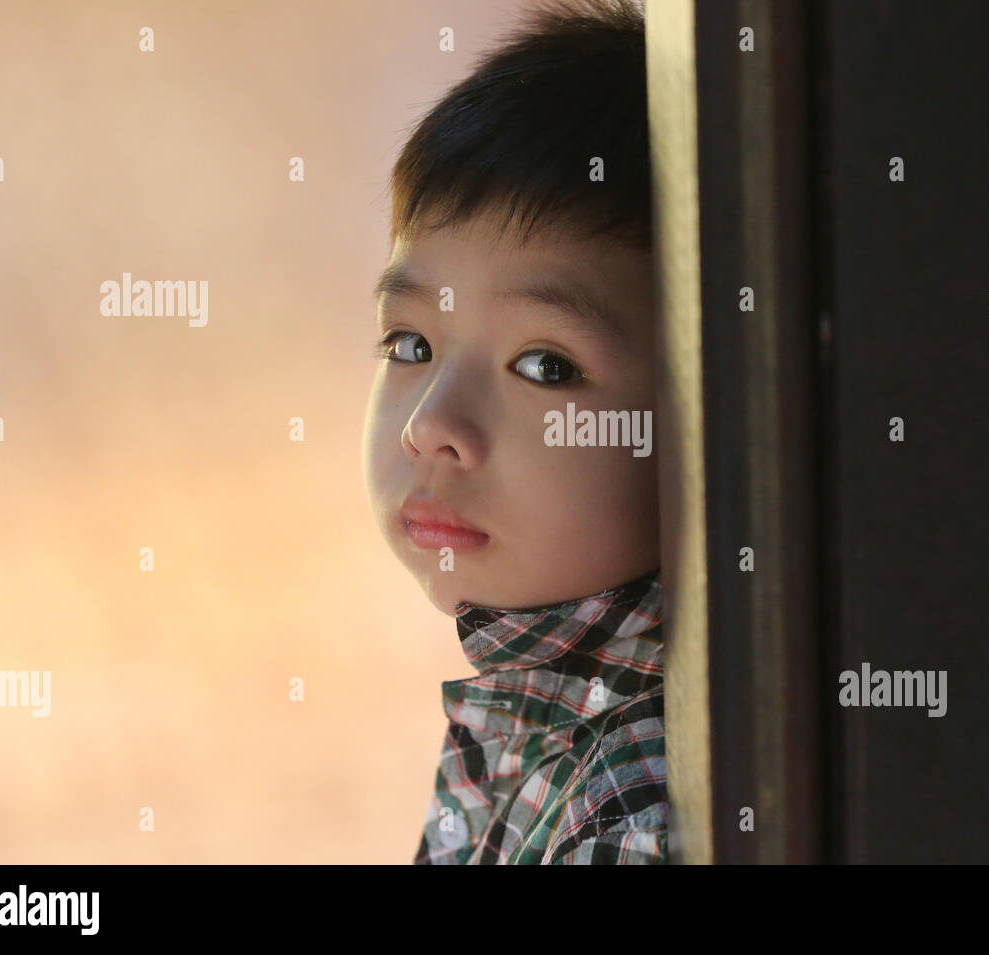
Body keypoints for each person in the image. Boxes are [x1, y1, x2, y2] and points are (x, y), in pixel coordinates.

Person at [360, 0, 669, 863]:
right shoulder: (545, 713)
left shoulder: (637, 808)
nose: (431, 426)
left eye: (545, 367)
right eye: (411, 344)